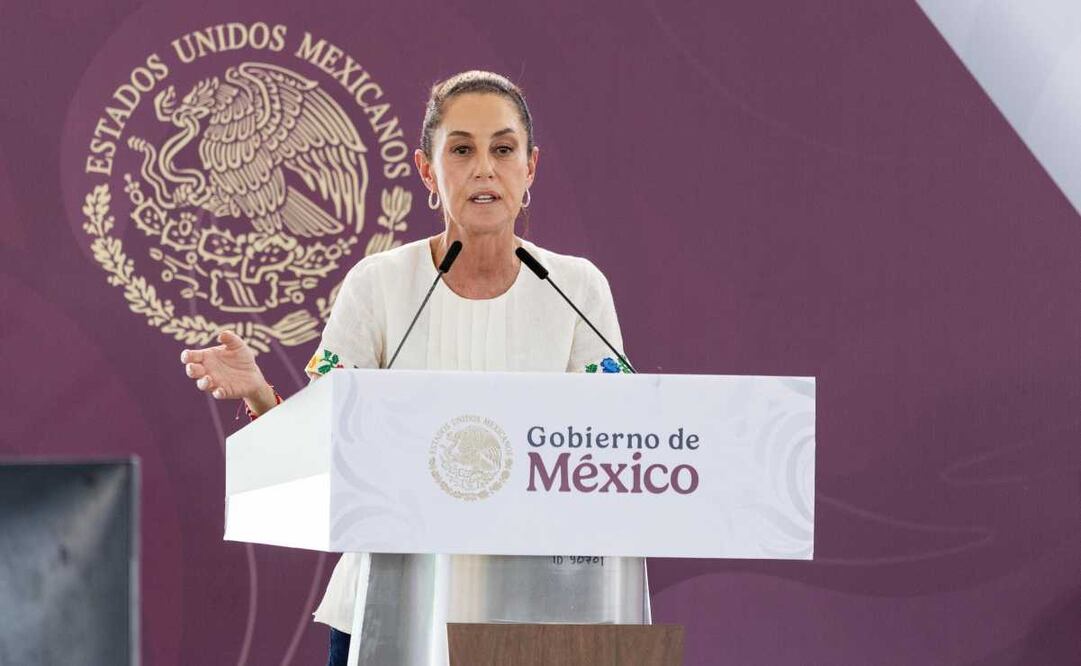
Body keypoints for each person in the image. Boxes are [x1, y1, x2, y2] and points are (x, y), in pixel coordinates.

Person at [179, 71, 649, 666]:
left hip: (542, 614)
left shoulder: (576, 287)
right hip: (385, 607)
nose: (484, 169)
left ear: (530, 168)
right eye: (461, 150)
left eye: (503, 149)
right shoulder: (378, 285)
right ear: (428, 171)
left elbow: (619, 447)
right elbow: (322, 447)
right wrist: (261, 394)